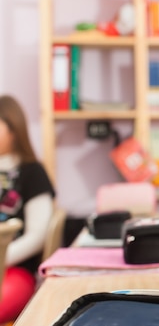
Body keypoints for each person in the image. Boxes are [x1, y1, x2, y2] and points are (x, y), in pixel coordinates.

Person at [0, 95, 56, 322]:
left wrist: (3, 258)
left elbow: (37, 237)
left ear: (13, 129)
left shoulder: (32, 173)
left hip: (15, 270)